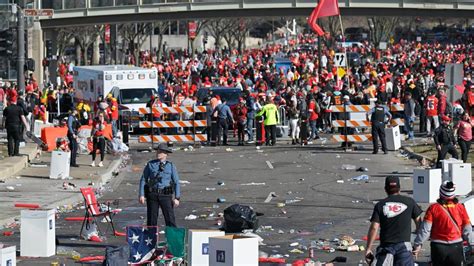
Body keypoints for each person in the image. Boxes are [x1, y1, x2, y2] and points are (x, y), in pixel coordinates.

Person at [413, 181, 473, 266]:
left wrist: (417, 244)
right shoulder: (460, 208)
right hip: (456, 247)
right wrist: (472, 244)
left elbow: (425, 230)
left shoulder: (433, 208)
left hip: (438, 247)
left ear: (441, 193)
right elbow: (467, 229)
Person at [365, 176, 422, 265]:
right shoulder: (410, 202)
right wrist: (418, 244)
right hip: (404, 246)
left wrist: (368, 248)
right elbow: (419, 224)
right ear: (399, 188)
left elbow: (374, 228)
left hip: (386, 247)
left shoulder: (380, 205)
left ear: (385, 189)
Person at [138, 143, 180, 227]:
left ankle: (172, 239)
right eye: (157, 151)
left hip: (165, 194)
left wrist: (177, 197)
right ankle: (151, 238)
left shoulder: (170, 166)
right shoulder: (151, 164)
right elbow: (143, 179)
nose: (158, 153)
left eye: (161, 152)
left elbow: (176, 182)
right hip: (153, 194)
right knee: (151, 219)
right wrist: (141, 195)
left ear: (166, 154)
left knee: (170, 219)